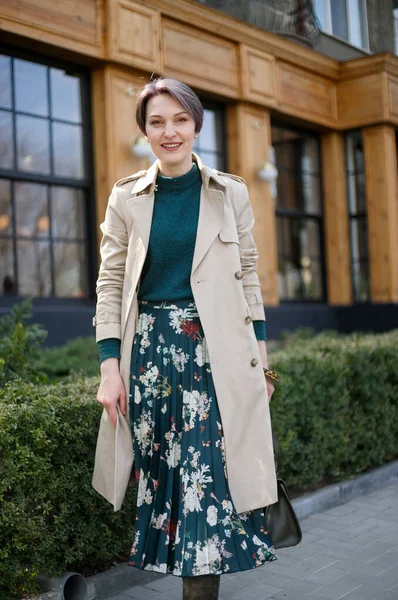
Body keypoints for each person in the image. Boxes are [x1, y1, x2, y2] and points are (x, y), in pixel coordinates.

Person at [92, 78, 278, 600]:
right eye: (156, 122)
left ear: (196, 125)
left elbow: (247, 278)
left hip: (217, 357)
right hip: (150, 359)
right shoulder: (126, 197)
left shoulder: (230, 192)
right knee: (167, 486)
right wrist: (110, 370)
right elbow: (109, 285)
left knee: (207, 487)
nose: (169, 131)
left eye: (179, 120)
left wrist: (261, 365)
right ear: (145, 132)